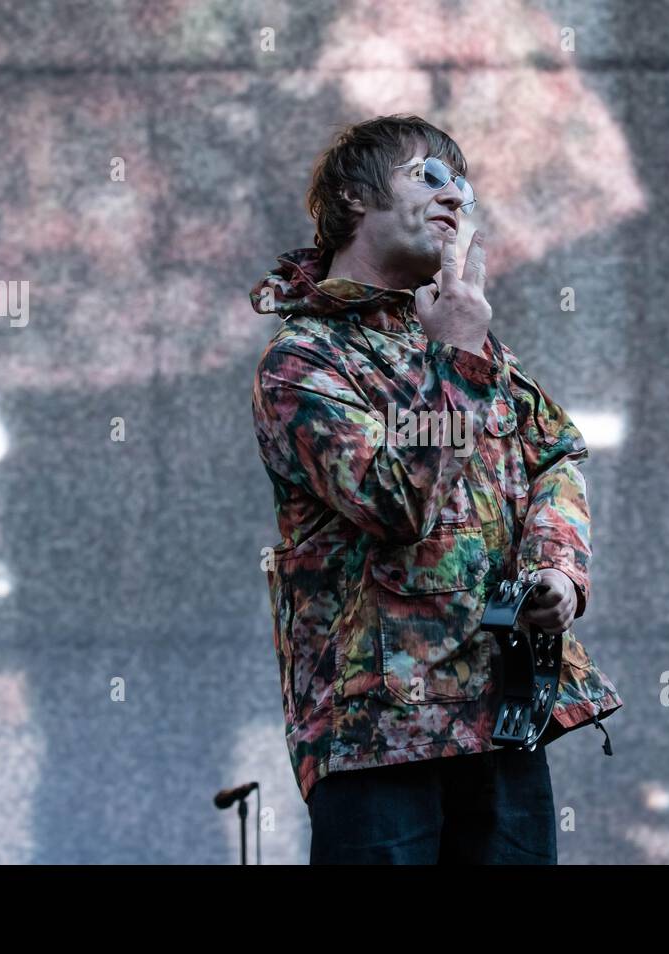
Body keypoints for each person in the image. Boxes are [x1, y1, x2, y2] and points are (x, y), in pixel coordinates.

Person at [250, 114, 622, 864]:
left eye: (466, 186)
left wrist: (557, 569)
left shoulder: (469, 343)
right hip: (378, 735)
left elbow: (555, 455)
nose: (457, 197)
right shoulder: (302, 361)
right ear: (356, 198)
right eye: (430, 177)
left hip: (504, 710)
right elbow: (396, 504)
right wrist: (454, 356)